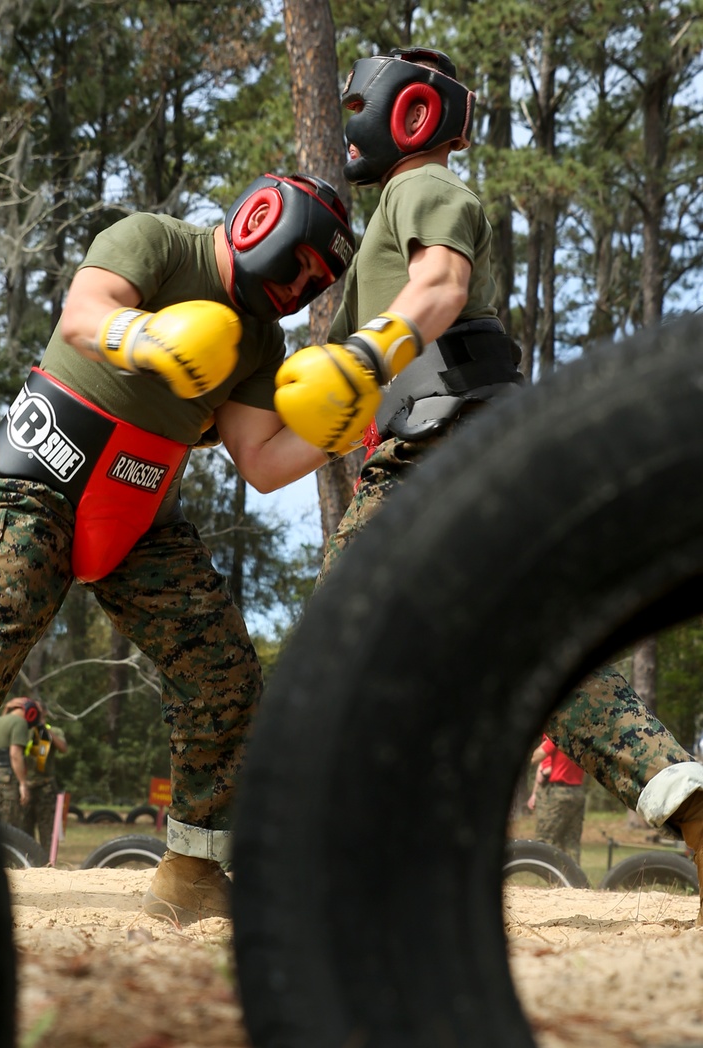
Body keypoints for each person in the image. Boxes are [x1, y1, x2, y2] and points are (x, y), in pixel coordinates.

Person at [274, 47, 703, 921]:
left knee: (339, 649)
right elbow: (309, 425)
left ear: (411, 117)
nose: (347, 117)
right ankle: (691, 806)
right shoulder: (389, 219)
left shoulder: (421, 189)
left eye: (360, 102)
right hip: (474, 452)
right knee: (543, 651)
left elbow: (443, 282)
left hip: (439, 454)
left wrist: (364, 353)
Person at [0, 172, 389, 925]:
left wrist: (329, 429)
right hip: (38, 475)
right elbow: (83, 315)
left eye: (321, 280)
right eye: (303, 261)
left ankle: (193, 871)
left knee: (223, 673)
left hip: (139, 508)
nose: (305, 285)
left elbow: (262, 463)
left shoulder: (262, 341)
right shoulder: (156, 241)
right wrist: (146, 337)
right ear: (262, 218)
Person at [0, 696, 40, 830]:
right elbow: (15, 754)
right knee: (10, 827)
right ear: (31, 714)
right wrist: (23, 784)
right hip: (7, 778)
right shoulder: (20, 723)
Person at [527, 734, 586, 862]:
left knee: (545, 840)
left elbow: (537, 758)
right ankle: (574, 880)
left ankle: (550, 877)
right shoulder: (582, 735)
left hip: (559, 793)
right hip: (578, 791)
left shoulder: (559, 734)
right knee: (571, 842)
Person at [24, 699, 68, 850]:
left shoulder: (53, 731)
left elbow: (63, 748)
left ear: (45, 712)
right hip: (27, 785)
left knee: (47, 830)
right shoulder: (24, 729)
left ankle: (47, 866)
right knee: (25, 829)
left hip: (46, 786)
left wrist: (44, 730)